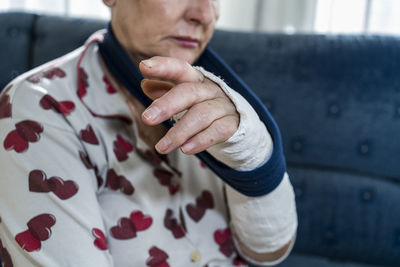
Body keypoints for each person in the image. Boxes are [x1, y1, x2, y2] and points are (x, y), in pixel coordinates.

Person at [0, 0, 297, 266]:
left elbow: (267, 251)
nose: (205, 14)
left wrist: (249, 151)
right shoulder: (38, 109)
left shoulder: (222, 101)